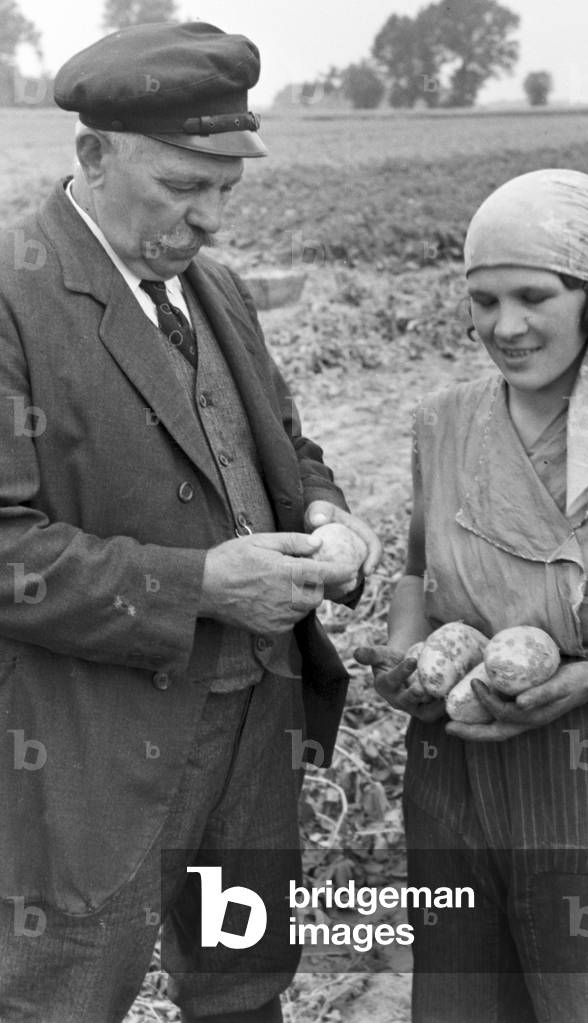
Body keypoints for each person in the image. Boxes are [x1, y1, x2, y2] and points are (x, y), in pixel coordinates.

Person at [0, 21, 380, 1023]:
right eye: (180, 188)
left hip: (256, 724)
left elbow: (285, 446)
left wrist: (330, 518)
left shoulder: (212, 288)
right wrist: (203, 586)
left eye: (226, 188)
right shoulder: (11, 296)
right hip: (96, 742)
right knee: (65, 993)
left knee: (242, 983)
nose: (209, 218)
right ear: (92, 156)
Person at [356, 169, 588, 1023]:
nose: (504, 326)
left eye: (533, 296)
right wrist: (406, 652)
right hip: (454, 761)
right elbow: (417, 573)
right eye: (483, 298)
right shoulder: (445, 419)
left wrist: (587, 680)